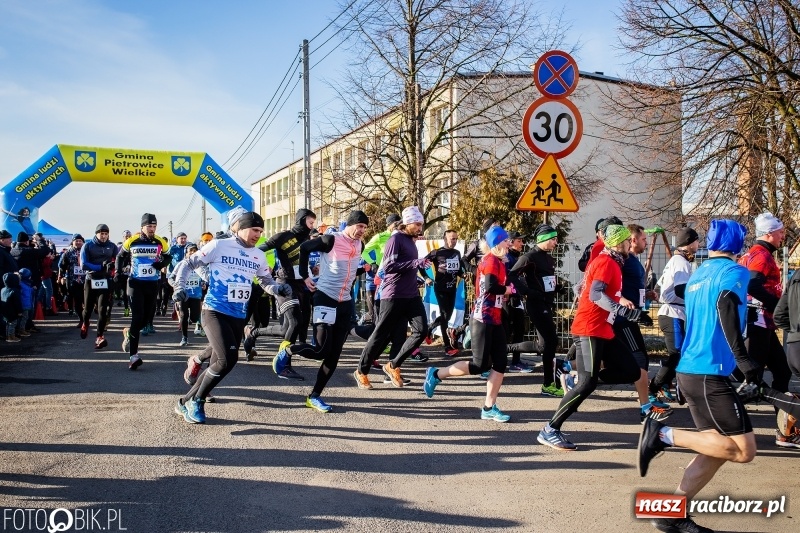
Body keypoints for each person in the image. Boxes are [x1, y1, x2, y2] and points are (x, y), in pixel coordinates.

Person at [637, 219, 761, 533]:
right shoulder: (735, 272)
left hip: (692, 371)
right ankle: (662, 435)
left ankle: (670, 514)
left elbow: (705, 319)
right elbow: (725, 307)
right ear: (737, 244)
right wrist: (746, 366)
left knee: (716, 448)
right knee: (743, 450)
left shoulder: (698, 274)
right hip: (708, 373)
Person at [172, 212, 290, 424]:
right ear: (240, 228)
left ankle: (184, 401)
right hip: (214, 310)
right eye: (254, 230)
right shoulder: (219, 245)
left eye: (261, 231)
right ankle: (197, 401)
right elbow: (188, 263)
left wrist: (278, 289)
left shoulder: (258, 255)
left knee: (219, 363)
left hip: (238, 314)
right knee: (228, 359)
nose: (258, 235)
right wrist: (179, 286)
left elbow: (265, 281)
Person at [537, 224, 643, 450]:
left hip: (603, 329)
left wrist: (624, 304)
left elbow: (594, 291)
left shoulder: (613, 262)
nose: (630, 244)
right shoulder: (606, 262)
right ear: (619, 243)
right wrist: (623, 310)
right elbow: (595, 294)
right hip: (590, 328)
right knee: (588, 382)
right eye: (627, 241)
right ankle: (550, 429)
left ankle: (581, 380)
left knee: (631, 371)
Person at [271, 211, 369, 412]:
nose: (362, 230)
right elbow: (305, 248)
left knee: (334, 355)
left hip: (345, 302)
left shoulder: (360, 244)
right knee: (321, 351)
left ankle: (314, 396)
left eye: (365, 227)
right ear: (350, 224)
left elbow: (348, 271)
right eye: (359, 226)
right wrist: (305, 276)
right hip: (325, 297)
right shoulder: (330, 240)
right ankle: (288, 350)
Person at [423, 225, 515, 422]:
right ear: (496, 244)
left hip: (495, 318)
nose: (509, 243)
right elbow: (490, 287)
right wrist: (507, 290)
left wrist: (507, 290)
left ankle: (488, 407)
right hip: (483, 319)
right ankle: (436, 374)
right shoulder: (491, 261)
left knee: (500, 362)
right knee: (479, 365)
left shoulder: (498, 261)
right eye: (506, 240)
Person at [354, 206, 431, 389]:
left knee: (420, 331)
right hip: (393, 295)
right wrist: (415, 263)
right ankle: (361, 371)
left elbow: (406, 266)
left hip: (411, 294)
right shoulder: (395, 239)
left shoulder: (410, 241)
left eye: (421, 224)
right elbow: (389, 267)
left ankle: (393, 365)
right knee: (381, 334)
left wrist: (416, 276)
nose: (420, 227)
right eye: (417, 224)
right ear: (407, 223)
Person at [244, 208, 317, 379]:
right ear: (302, 220)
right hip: (284, 283)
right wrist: (258, 267)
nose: (312, 226)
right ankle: (284, 365)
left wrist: (311, 271)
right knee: (294, 322)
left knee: (289, 328)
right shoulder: (283, 236)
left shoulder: (306, 239)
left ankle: (253, 333)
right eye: (310, 222)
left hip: (301, 284)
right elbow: (259, 249)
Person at [736, 212, 792, 423]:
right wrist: (777, 305)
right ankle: (724, 418)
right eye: (780, 232)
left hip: (762, 323)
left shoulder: (751, 253)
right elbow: (752, 285)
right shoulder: (761, 255)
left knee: (782, 372)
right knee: (753, 380)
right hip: (758, 322)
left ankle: (784, 426)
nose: (783, 236)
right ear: (769, 233)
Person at [615, 224, 670, 422]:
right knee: (640, 359)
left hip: (631, 316)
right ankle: (646, 407)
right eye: (644, 239)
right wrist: (622, 300)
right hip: (624, 319)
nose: (646, 242)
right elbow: (613, 286)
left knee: (611, 361)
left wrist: (647, 294)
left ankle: (568, 367)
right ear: (633, 240)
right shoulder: (623, 261)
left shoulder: (633, 260)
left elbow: (631, 288)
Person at [510, 224, 563, 393]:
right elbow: (511, 275)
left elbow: (545, 281)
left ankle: (504, 348)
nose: (556, 242)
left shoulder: (548, 258)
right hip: (536, 304)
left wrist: (557, 288)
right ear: (543, 239)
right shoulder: (529, 257)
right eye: (553, 239)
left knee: (543, 346)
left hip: (546, 303)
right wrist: (527, 291)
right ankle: (548, 384)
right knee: (551, 341)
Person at [115, 213, 171, 370]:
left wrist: (161, 265)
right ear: (142, 227)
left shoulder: (160, 241)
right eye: (149, 226)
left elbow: (168, 257)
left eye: (154, 226)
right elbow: (120, 256)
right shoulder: (132, 240)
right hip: (135, 283)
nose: (152, 229)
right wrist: (118, 272)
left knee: (146, 320)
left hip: (152, 284)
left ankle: (129, 333)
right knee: (137, 317)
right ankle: (133, 356)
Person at [649, 227, 699, 401]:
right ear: (689, 243)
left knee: (680, 354)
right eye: (697, 241)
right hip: (673, 314)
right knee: (676, 354)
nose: (698, 244)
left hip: (675, 312)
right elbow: (680, 289)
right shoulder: (680, 261)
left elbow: (658, 287)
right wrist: (699, 300)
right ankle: (653, 388)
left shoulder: (677, 260)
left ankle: (665, 383)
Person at [422, 229, 464, 356]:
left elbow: (458, 270)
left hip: (452, 288)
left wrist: (463, 275)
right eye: (452, 238)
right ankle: (447, 346)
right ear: (445, 239)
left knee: (447, 316)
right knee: (445, 316)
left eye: (456, 239)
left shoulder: (457, 253)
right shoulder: (437, 252)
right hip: (440, 288)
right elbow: (420, 264)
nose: (454, 241)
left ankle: (430, 328)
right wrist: (426, 278)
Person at [80, 224, 118, 349]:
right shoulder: (88, 245)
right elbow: (83, 265)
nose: (104, 236)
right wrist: (101, 266)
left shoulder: (112, 246)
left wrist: (114, 267)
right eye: (101, 234)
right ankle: (85, 322)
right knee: (88, 309)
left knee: (103, 310)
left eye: (106, 234)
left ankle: (99, 336)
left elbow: (117, 260)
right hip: (91, 279)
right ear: (96, 234)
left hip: (105, 280)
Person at [169, 243, 202, 346]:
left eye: (195, 251)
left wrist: (204, 284)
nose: (192, 253)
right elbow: (170, 278)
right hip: (183, 294)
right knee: (184, 315)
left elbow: (206, 277)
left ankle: (191, 320)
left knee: (194, 318)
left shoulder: (201, 264)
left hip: (196, 294)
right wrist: (176, 286)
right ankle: (184, 338)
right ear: (186, 253)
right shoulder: (181, 264)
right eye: (190, 251)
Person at [1, 272, 22, 342]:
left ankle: (7, 336)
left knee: (7, 323)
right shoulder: (15, 290)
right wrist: (19, 311)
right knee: (13, 323)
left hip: (4, 310)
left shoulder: (2, 289)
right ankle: (11, 336)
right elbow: (17, 302)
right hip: (12, 311)